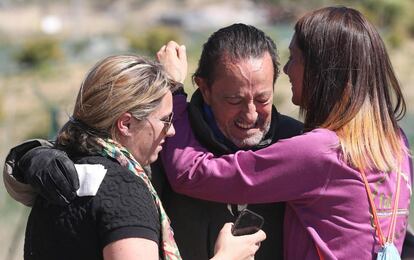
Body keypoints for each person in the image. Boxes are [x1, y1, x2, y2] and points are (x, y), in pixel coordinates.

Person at [4, 24, 303, 260]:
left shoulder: (299, 147)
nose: (251, 113)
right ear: (205, 89)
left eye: (263, 98)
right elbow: (91, 141)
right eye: (234, 99)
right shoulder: (160, 147)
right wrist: (33, 156)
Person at [157, 6, 413, 259]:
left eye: (294, 58)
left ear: (320, 71)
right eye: (235, 100)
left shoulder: (319, 152)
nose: (287, 70)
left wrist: (175, 92)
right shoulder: (395, 144)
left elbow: (191, 174)